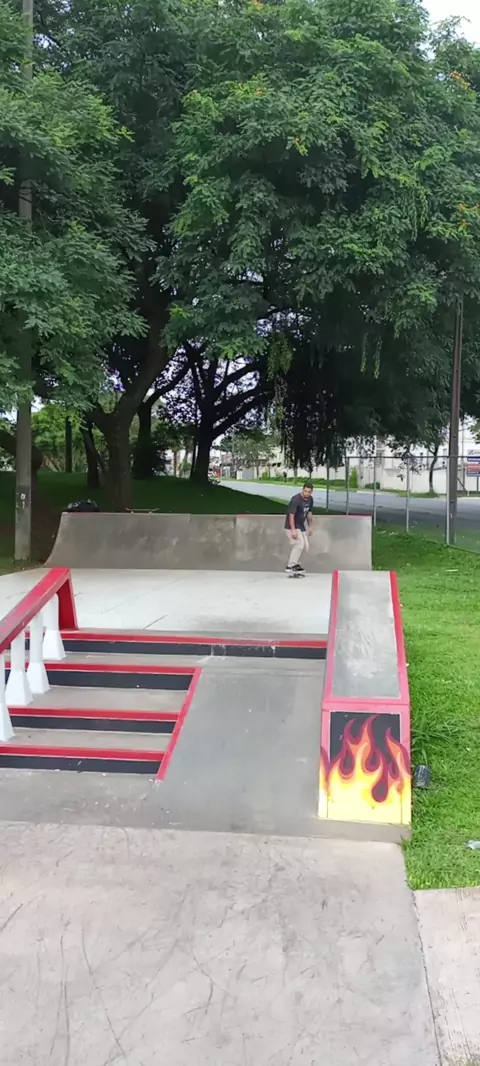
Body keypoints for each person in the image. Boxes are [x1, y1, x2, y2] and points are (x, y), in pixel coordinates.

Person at [284, 481, 314, 573]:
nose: (307, 493)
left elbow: (309, 513)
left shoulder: (310, 499)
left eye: (309, 492)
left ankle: (296, 563)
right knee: (299, 544)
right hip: (291, 526)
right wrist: (293, 530)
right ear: (302, 490)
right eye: (305, 491)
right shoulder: (296, 499)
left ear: (311, 492)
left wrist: (310, 526)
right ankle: (290, 566)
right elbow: (291, 515)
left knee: (306, 547)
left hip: (301, 526)